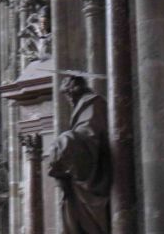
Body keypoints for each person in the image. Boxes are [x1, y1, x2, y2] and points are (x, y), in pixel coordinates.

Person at [48, 76, 110, 234]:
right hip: (81, 176)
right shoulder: (83, 106)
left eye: (68, 93)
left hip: (95, 172)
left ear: (76, 89)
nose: (68, 98)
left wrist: (65, 142)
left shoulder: (94, 103)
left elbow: (91, 134)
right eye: (66, 95)